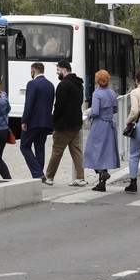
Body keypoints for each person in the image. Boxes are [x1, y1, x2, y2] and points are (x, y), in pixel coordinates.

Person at [45, 59, 86, 187]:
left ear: (64, 69)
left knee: (57, 151)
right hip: (77, 123)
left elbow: (59, 107)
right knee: (77, 151)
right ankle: (80, 178)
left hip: (63, 125)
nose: (57, 73)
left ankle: (49, 177)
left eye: (58, 70)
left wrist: (54, 122)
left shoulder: (63, 85)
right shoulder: (79, 84)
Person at [84, 69, 120, 191]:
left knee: (93, 151)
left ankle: (101, 174)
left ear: (97, 80)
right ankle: (102, 182)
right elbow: (115, 109)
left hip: (99, 125)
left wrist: (88, 114)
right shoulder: (112, 93)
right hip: (110, 125)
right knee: (105, 152)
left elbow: (95, 111)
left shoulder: (97, 94)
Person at [20, 62, 55, 181]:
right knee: (40, 148)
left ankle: (38, 173)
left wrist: (24, 120)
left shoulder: (32, 84)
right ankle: (39, 176)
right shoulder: (50, 85)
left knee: (24, 146)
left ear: (33, 70)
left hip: (33, 122)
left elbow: (28, 104)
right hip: (46, 122)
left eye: (31, 71)